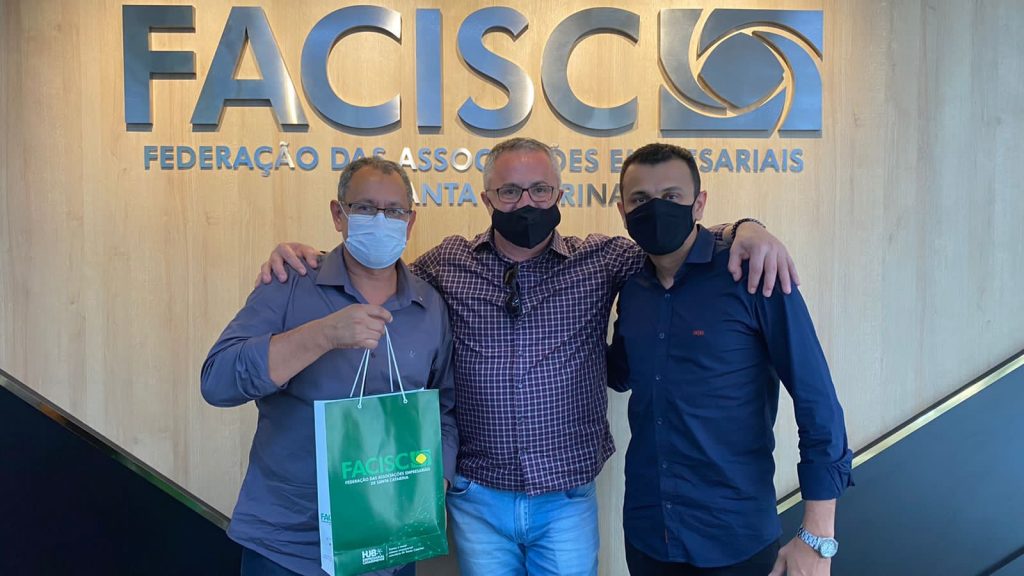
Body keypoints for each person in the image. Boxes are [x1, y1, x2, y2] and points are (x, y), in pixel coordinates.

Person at [259, 137, 800, 576]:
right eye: (510, 191)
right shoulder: (446, 262)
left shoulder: (602, 259)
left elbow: (674, 244)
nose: (527, 203)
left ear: (559, 193)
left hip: (566, 494)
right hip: (476, 494)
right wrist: (310, 257)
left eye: (540, 190)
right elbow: (378, 275)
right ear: (487, 198)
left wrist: (745, 229)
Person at [201, 157, 458, 576]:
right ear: (339, 215)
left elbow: (444, 408)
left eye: (395, 211)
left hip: (390, 542)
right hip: (289, 546)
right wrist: (322, 335)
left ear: (410, 222)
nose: (381, 220)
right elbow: (218, 382)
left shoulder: (429, 305)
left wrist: (435, 481)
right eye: (365, 208)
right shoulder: (289, 283)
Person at [607, 143, 853, 576]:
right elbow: (622, 374)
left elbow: (816, 399)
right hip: (649, 534)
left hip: (735, 537)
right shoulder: (631, 288)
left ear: (699, 203)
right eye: (640, 199)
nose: (656, 209)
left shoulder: (754, 272)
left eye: (671, 196)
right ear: (623, 211)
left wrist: (818, 535)